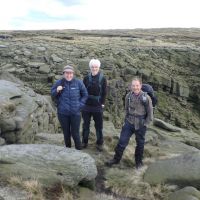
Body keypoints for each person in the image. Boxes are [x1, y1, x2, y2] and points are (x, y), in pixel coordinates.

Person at [106, 77, 153, 169]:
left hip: (141, 124)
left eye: (137, 85)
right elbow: (126, 109)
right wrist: (125, 121)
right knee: (122, 142)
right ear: (131, 86)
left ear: (140, 86)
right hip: (129, 122)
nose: (135, 87)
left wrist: (145, 124)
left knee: (140, 144)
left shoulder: (146, 98)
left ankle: (138, 163)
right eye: (133, 85)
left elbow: (150, 113)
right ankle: (116, 159)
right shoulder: (128, 96)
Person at [51, 65, 88, 150]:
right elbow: (52, 95)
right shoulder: (59, 82)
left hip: (76, 113)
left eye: (70, 73)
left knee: (75, 133)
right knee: (66, 134)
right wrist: (57, 90)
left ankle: (79, 151)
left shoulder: (78, 83)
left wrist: (80, 105)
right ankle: (68, 151)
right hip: (63, 113)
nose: (69, 75)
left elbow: (85, 95)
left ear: (73, 74)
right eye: (67, 73)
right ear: (64, 74)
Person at [82, 59, 107, 151]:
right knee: (85, 125)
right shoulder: (86, 78)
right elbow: (82, 90)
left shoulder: (103, 78)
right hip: (86, 106)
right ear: (90, 67)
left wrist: (103, 104)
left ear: (99, 67)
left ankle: (99, 143)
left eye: (96, 67)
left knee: (99, 126)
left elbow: (104, 92)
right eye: (92, 67)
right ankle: (84, 142)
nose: (94, 68)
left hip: (97, 106)